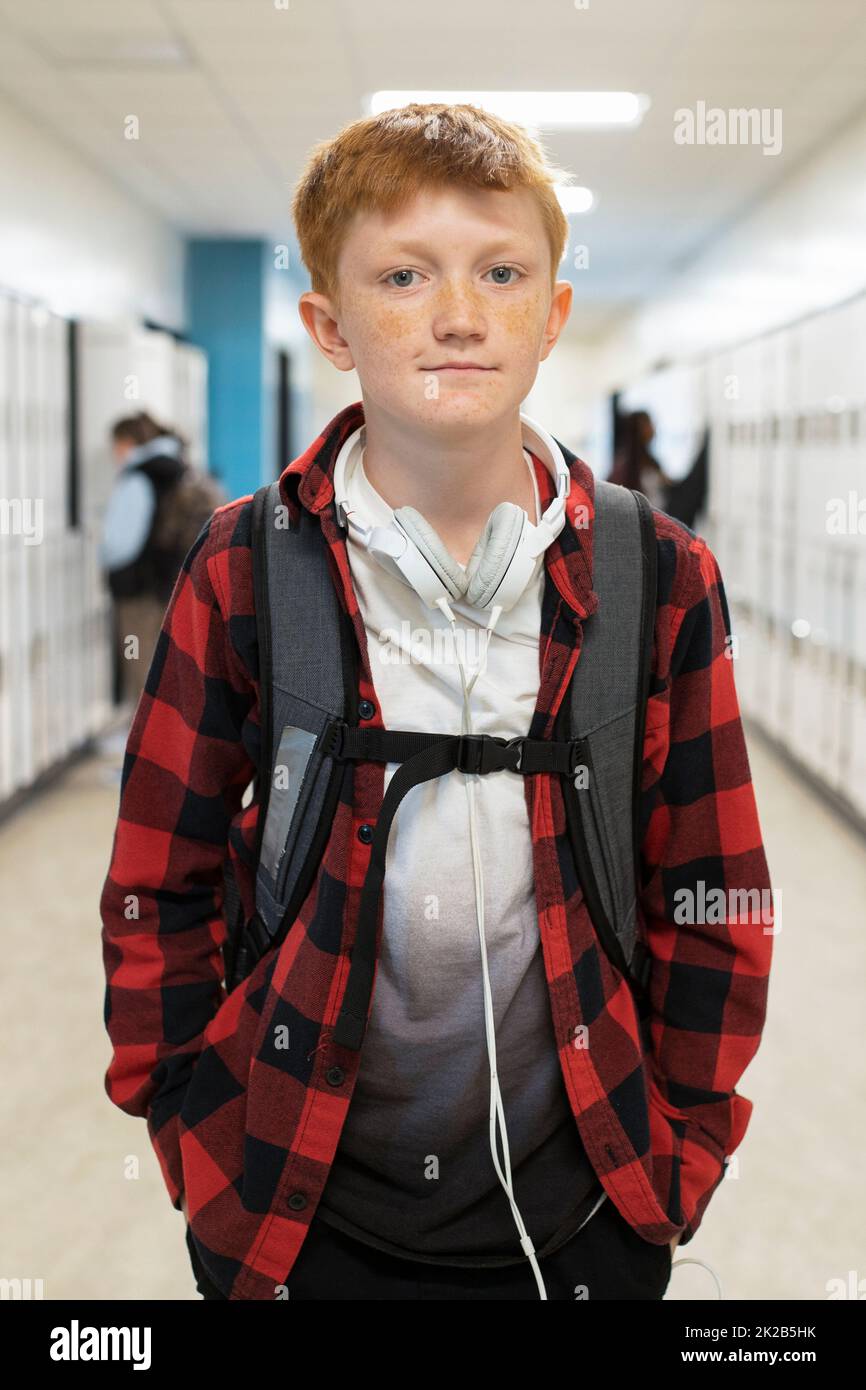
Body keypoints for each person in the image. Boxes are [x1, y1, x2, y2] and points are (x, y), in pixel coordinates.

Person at [100, 103, 774, 1301]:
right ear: (329, 325)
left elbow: (713, 886)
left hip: (587, 1205)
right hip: (292, 1204)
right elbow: (160, 874)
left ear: (551, 314)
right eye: (402, 275)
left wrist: (683, 1148)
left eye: (501, 272)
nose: (459, 312)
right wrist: (184, 1127)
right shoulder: (245, 562)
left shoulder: (657, 574)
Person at [98, 411, 226, 709]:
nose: (114, 455)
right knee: (166, 667)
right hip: (173, 583)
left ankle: (145, 745)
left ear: (128, 443)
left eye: (116, 446)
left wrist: (103, 555)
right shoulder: (178, 466)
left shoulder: (140, 475)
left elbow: (121, 542)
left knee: (142, 667)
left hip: (141, 589)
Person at [610, 409, 671, 509]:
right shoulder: (625, 465)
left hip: (661, 515)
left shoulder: (652, 461)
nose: (652, 428)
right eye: (648, 424)